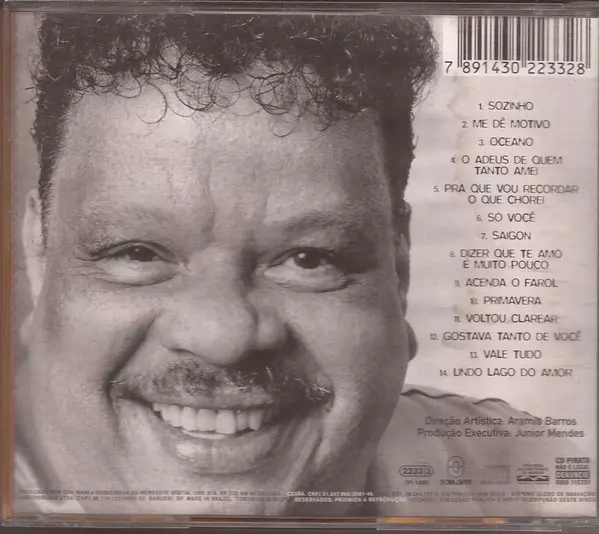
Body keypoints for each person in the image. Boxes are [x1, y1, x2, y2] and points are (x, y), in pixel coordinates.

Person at [13, 12, 579, 518]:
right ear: (39, 255)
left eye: (309, 259)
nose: (223, 336)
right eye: (137, 253)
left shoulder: (538, 481)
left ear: (399, 269)